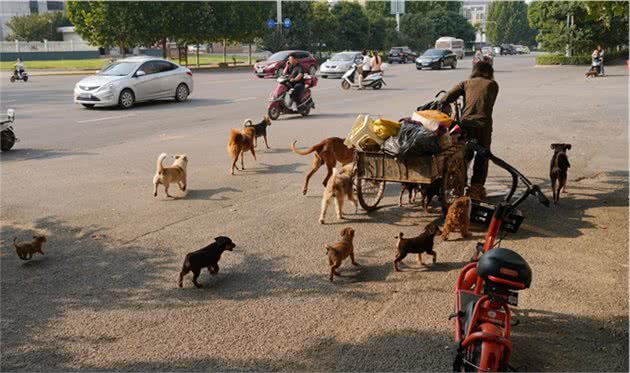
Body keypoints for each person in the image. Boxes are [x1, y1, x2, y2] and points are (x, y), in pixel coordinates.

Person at [441, 61, 499, 200]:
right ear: (489, 72)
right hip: (483, 125)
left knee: (464, 154)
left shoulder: (466, 83)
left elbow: (446, 98)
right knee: (482, 156)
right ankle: (476, 189)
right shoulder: (492, 85)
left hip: (466, 124)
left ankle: (459, 183)